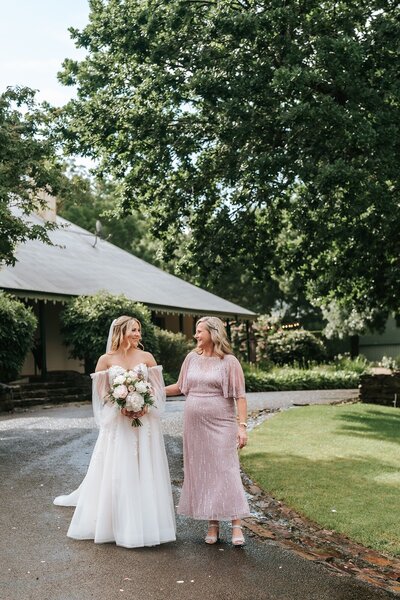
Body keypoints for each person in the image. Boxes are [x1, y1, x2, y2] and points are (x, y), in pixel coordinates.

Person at [54, 315, 176, 548]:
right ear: (120, 332)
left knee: (145, 468)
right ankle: (115, 525)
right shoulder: (105, 360)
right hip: (119, 423)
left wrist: (143, 406)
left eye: (139, 330)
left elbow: (158, 389)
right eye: (133, 329)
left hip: (145, 423)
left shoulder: (147, 357)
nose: (138, 334)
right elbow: (101, 394)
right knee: (118, 470)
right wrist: (123, 407)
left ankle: (148, 524)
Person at [166, 316, 250, 546]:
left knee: (226, 469)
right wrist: (151, 389)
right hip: (194, 427)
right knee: (204, 471)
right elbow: (180, 387)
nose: (195, 335)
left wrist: (242, 427)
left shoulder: (229, 362)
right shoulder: (191, 358)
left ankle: (236, 525)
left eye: (199, 331)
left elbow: (240, 396)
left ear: (213, 333)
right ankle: (212, 524)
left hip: (222, 423)